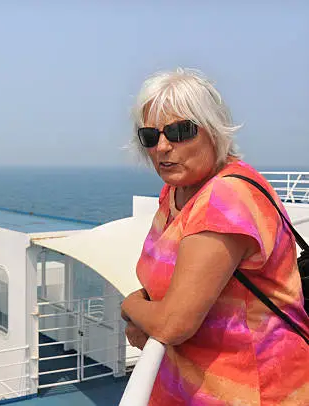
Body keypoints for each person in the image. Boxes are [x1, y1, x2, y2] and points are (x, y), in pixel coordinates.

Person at [120, 68, 309, 405]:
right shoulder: (175, 192)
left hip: (251, 391)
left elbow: (172, 324)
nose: (163, 147)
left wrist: (130, 307)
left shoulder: (224, 199)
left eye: (180, 132)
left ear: (214, 130)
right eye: (151, 136)